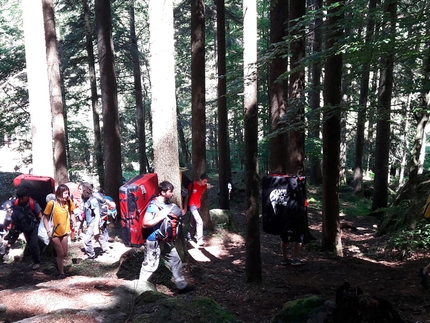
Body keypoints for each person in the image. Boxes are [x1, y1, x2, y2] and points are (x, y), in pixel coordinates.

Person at [138, 180, 194, 294]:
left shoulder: (168, 204)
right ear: (163, 192)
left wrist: (186, 199)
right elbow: (145, 223)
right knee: (149, 265)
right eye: (170, 191)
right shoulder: (153, 206)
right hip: (153, 240)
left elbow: (182, 213)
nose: (172, 193)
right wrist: (161, 217)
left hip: (165, 239)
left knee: (176, 260)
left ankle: (181, 287)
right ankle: (140, 290)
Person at [43, 184, 78, 279]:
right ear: (59, 193)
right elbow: (45, 218)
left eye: (68, 193)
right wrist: (48, 231)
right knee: (60, 254)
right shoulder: (52, 204)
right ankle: (61, 273)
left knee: (65, 254)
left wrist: (75, 224)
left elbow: (72, 213)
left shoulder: (68, 202)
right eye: (65, 193)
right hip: (54, 233)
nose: (67, 195)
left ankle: (57, 262)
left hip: (65, 232)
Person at [11, 186, 43, 270]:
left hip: (34, 227)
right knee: (29, 243)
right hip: (24, 227)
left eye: (22, 198)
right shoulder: (16, 203)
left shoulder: (33, 203)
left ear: (28, 196)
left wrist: (43, 228)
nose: (21, 200)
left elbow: (40, 215)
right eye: (20, 198)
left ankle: (37, 262)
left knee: (33, 244)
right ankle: (31, 259)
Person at [79, 182, 110, 259]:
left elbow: (97, 215)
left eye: (80, 189)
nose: (79, 191)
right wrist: (82, 223)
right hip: (90, 223)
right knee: (100, 236)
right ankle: (106, 250)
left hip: (94, 222)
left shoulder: (93, 200)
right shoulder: (85, 199)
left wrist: (96, 228)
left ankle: (91, 256)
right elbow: (85, 212)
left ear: (85, 189)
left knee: (86, 240)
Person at [183, 173, 209, 246]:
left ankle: (189, 235)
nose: (205, 183)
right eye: (204, 181)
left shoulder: (204, 186)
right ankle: (199, 240)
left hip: (198, 206)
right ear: (200, 179)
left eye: (206, 182)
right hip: (192, 205)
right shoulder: (192, 185)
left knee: (193, 221)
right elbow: (187, 195)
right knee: (199, 221)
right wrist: (185, 207)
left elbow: (200, 194)